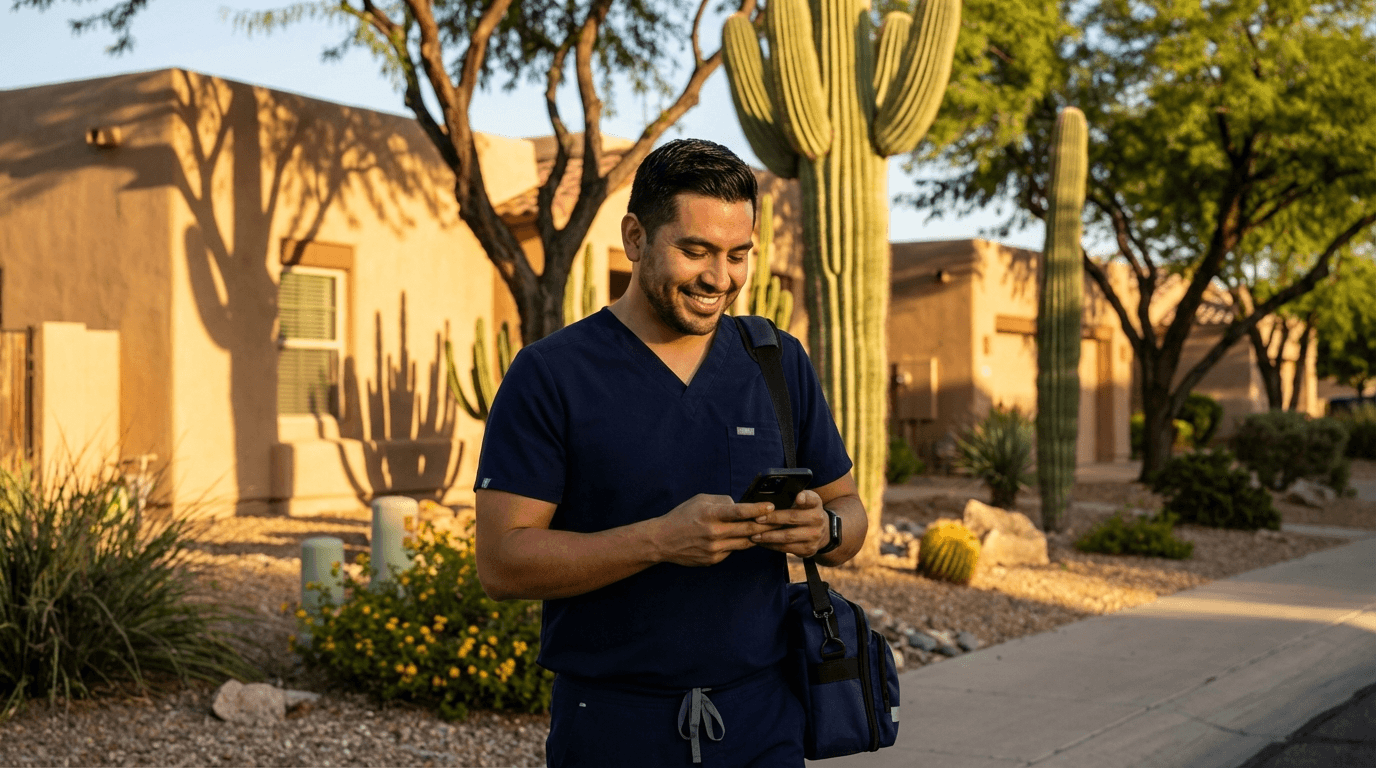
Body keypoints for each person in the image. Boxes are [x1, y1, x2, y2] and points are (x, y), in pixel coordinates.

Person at [473, 138, 867, 767]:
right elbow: (501, 562)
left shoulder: (776, 360)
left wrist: (824, 527)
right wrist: (661, 541)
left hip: (765, 721)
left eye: (739, 255)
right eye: (696, 251)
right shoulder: (551, 373)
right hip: (611, 726)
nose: (720, 278)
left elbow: (850, 513)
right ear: (636, 238)